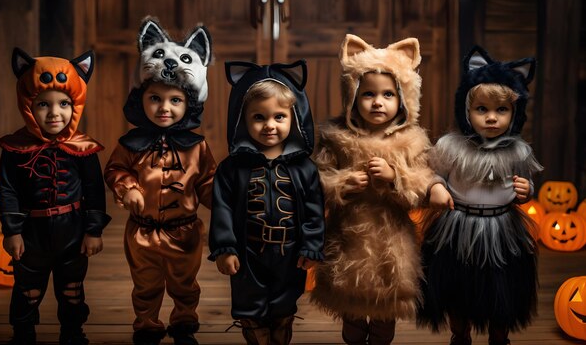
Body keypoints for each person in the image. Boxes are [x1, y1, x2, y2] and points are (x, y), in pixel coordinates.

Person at [308, 35, 435, 345]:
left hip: (391, 241)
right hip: (348, 237)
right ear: (352, 95)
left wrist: (395, 177)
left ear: (404, 98)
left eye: (388, 94)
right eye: (368, 94)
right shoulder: (335, 137)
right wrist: (342, 183)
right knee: (350, 309)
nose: (378, 102)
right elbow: (314, 181)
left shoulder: (412, 141)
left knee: (383, 313)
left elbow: (422, 187)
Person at [417, 46, 542, 345]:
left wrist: (526, 190)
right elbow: (434, 175)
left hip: (502, 231)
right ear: (466, 110)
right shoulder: (450, 146)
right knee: (458, 291)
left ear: (515, 113)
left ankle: (500, 337)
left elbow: (523, 184)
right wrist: (435, 187)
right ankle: (460, 335)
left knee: (502, 292)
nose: (491, 118)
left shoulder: (518, 150)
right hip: (457, 227)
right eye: (481, 109)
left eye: (502, 110)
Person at [103, 17, 215, 345]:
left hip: (185, 230)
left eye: (174, 100)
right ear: (142, 99)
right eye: (155, 99)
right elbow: (114, 170)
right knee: (146, 283)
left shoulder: (197, 147)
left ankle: (183, 323)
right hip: (142, 231)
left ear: (189, 104)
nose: (164, 107)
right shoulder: (130, 144)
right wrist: (128, 187)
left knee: (184, 283)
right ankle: (147, 324)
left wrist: (224, 201)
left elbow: (208, 181)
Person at [0, 48, 111, 345]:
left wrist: (93, 231)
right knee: (27, 289)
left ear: (76, 105)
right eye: (43, 104)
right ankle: (23, 333)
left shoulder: (83, 149)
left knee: (72, 289)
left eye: (64, 103)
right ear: (28, 105)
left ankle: (72, 333)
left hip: (72, 232)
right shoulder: (14, 148)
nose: (54, 113)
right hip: (31, 233)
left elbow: (94, 191)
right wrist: (12, 232)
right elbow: (7, 190)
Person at [208, 60, 325, 345]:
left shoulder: (304, 168)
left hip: (291, 252)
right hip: (249, 253)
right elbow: (222, 210)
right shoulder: (231, 169)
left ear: (294, 117)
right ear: (242, 119)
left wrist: (312, 245)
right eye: (259, 117)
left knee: (284, 305)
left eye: (279, 117)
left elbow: (314, 211)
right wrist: (225, 248)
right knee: (250, 306)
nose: (269, 125)